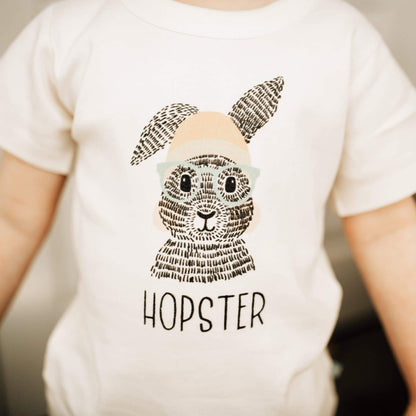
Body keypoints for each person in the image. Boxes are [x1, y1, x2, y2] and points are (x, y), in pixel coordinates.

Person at [1, 0, 416, 414]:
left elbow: (389, 229)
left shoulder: (343, 41)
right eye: (186, 184)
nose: (205, 208)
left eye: (229, 185)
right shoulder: (72, 31)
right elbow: (12, 218)